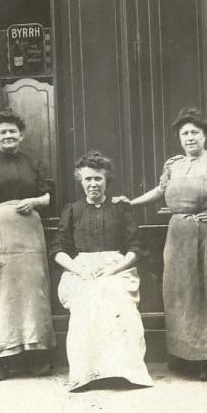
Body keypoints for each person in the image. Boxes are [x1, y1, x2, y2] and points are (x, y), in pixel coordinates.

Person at [122, 108, 207, 380]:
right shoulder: (174, 165)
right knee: (181, 293)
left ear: (205, 135)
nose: (190, 137)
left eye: (195, 132)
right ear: (179, 138)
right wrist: (131, 203)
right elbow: (160, 192)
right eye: (185, 133)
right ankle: (185, 355)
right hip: (178, 236)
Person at [0, 109, 55, 381]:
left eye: (12, 131)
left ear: (22, 135)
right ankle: (2, 362)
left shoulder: (34, 164)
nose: (8, 135)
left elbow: (48, 197)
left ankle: (33, 359)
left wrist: (34, 201)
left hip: (29, 237)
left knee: (31, 295)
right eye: (2, 132)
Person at [51, 151, 152, 392]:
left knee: (115, 298)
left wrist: (113, 269)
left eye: (98, 179)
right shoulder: (73, 210)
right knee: (87, 300)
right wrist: (80, 270)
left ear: (106, 180)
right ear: (81, 181)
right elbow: (57, 249)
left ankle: (123, 371)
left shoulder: (120, 209)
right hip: (81, 268)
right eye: (88, 179)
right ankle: (87, 374)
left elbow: (135, 247)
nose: (93, 184)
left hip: (117, 268)